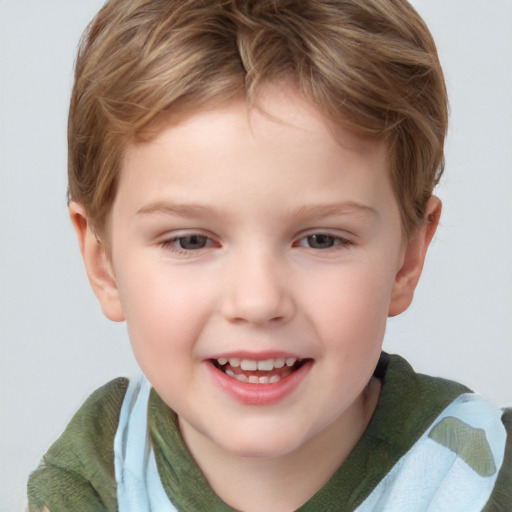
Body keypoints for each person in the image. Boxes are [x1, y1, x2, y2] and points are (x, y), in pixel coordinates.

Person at [27, 0, 511, 510]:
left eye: (321, 239)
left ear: (407, 258)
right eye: (190, 240)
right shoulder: (96, 480)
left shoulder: (483, 480)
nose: (257, 301)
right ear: (103, 262)